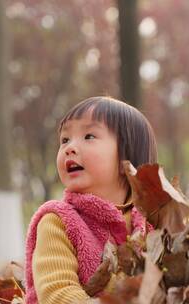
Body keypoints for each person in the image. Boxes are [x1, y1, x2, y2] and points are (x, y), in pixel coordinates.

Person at [24, 96, 158, 304]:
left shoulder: (152, 222)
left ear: (127, 155)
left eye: (88, 136)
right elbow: (57, 293)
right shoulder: (58, 221)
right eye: (65, 140)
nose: (69, 148)